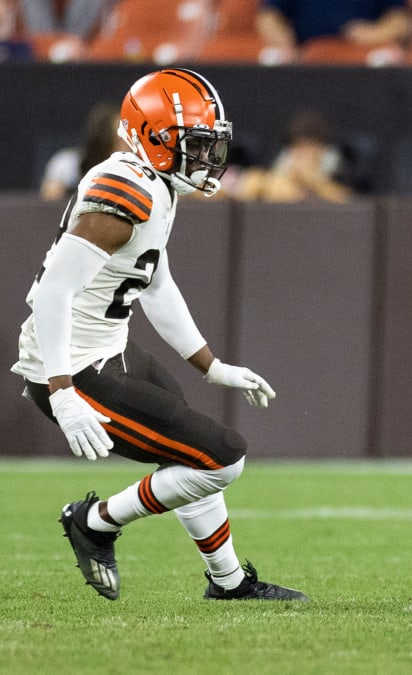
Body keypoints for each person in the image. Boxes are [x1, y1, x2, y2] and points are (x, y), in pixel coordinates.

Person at [11, 68, 307, 602]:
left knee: (191, 455)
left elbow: (155, 282)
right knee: (223, 457)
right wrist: (61, 390)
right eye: (195, 144)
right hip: (74, 370)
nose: (207, 159)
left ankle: (229, 582)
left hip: (106, 351)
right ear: (153, 137)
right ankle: (95, 521)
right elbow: (52, 293)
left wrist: (211, 365)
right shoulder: (128, 192)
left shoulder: (155, 184)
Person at [235, 110, 352, 203]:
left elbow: (347, 201)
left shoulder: (335, 166)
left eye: (310, 147)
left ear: (321, 147)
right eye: (298, 147)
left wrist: (312, 181)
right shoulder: (283, 162)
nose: (303, 154)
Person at [255, 0, 412, 61]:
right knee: (270, 58)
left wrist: (377, 33)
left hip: (365, 60)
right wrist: (282, 38)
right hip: (303, 60)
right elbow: (268, 16)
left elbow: (401, 19)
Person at [39, 103, 125, 202]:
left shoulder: (132, 172)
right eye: (118, 138)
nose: (125, 144)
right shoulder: (66, 163)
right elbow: (48, 199)